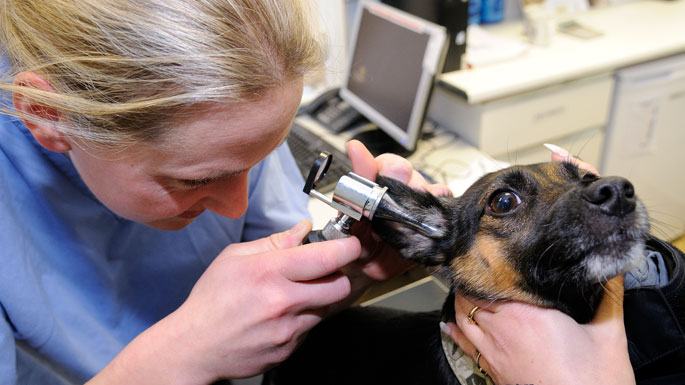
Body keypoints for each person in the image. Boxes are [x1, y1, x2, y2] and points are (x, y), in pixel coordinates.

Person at [0, 0, 640, 384]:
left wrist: (349, 279)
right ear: (48, 120)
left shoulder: (230, 123)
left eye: (256, 160)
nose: (235, 204)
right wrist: (176, 357)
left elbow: (288, 312)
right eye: (194, 179)